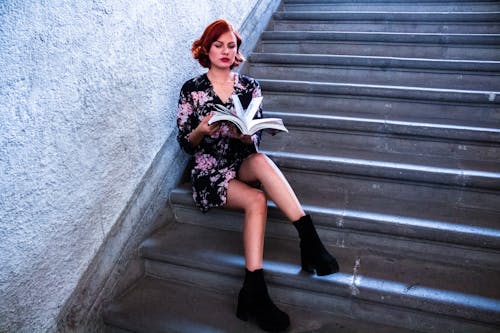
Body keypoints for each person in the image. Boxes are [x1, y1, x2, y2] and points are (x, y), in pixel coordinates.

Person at [176, 19, 339, 332]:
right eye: (218, 45)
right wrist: (200, 130)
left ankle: (309, 239)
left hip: (241, 160)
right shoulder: (192, 90)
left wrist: (247, 137)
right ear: (207, 49)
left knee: (261, 160)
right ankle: (254, 290)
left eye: (231, 45)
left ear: (237, 50)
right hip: (210, 171)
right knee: (257, 200)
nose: (225, 51)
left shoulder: (248, 86)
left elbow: (255, 138)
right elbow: (185, 144)